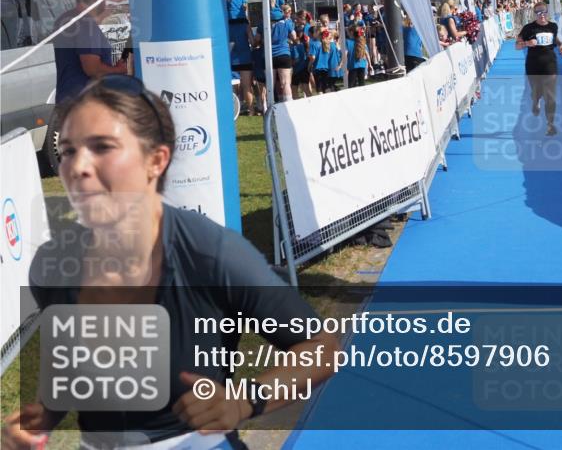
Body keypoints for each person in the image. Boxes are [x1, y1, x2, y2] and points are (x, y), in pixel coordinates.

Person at [2, 75, 337, 449]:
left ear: (156, 160)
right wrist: (39, 420)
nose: (76, 167)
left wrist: (247, 399)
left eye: (102, 147)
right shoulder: (53, 265)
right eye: (67, 151)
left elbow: (322, 347)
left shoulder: (213, 255)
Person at [52, 0, 128, 106]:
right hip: (84, 102)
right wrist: (118, 70)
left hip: (66, 98)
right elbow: (92, 68)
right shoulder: (86, 23)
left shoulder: (64, 19)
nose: (107, 1)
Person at [515, 3, 562, 136]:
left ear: (547, 12)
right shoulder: (529, 28)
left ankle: (550, 125)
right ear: (534, 14)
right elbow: (517, 46)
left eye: (543, 12)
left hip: (550, 65)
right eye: (538, 13)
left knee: (550, 97)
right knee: (536, 92)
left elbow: (554, 39)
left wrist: (561, 45)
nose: (541, 15)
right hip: (533, 65)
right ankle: (535, 100)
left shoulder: (553, 26)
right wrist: (527, 43)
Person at [226, 0, 254, 116]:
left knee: (233, 87)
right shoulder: (246, 24)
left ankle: (234, 111)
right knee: (247, 86)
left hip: (231, 56)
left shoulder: (225, 26)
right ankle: (251, 110)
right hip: (245, 56)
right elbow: (252, 42)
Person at [271, 4, 296, 102]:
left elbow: (259, 39)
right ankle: (288, 104)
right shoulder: (287, 23)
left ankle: (270, 105)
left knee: (270, 84)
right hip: (284, 54)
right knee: (285, 83)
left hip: (270, 56)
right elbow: (294, 36)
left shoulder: (265, 24)